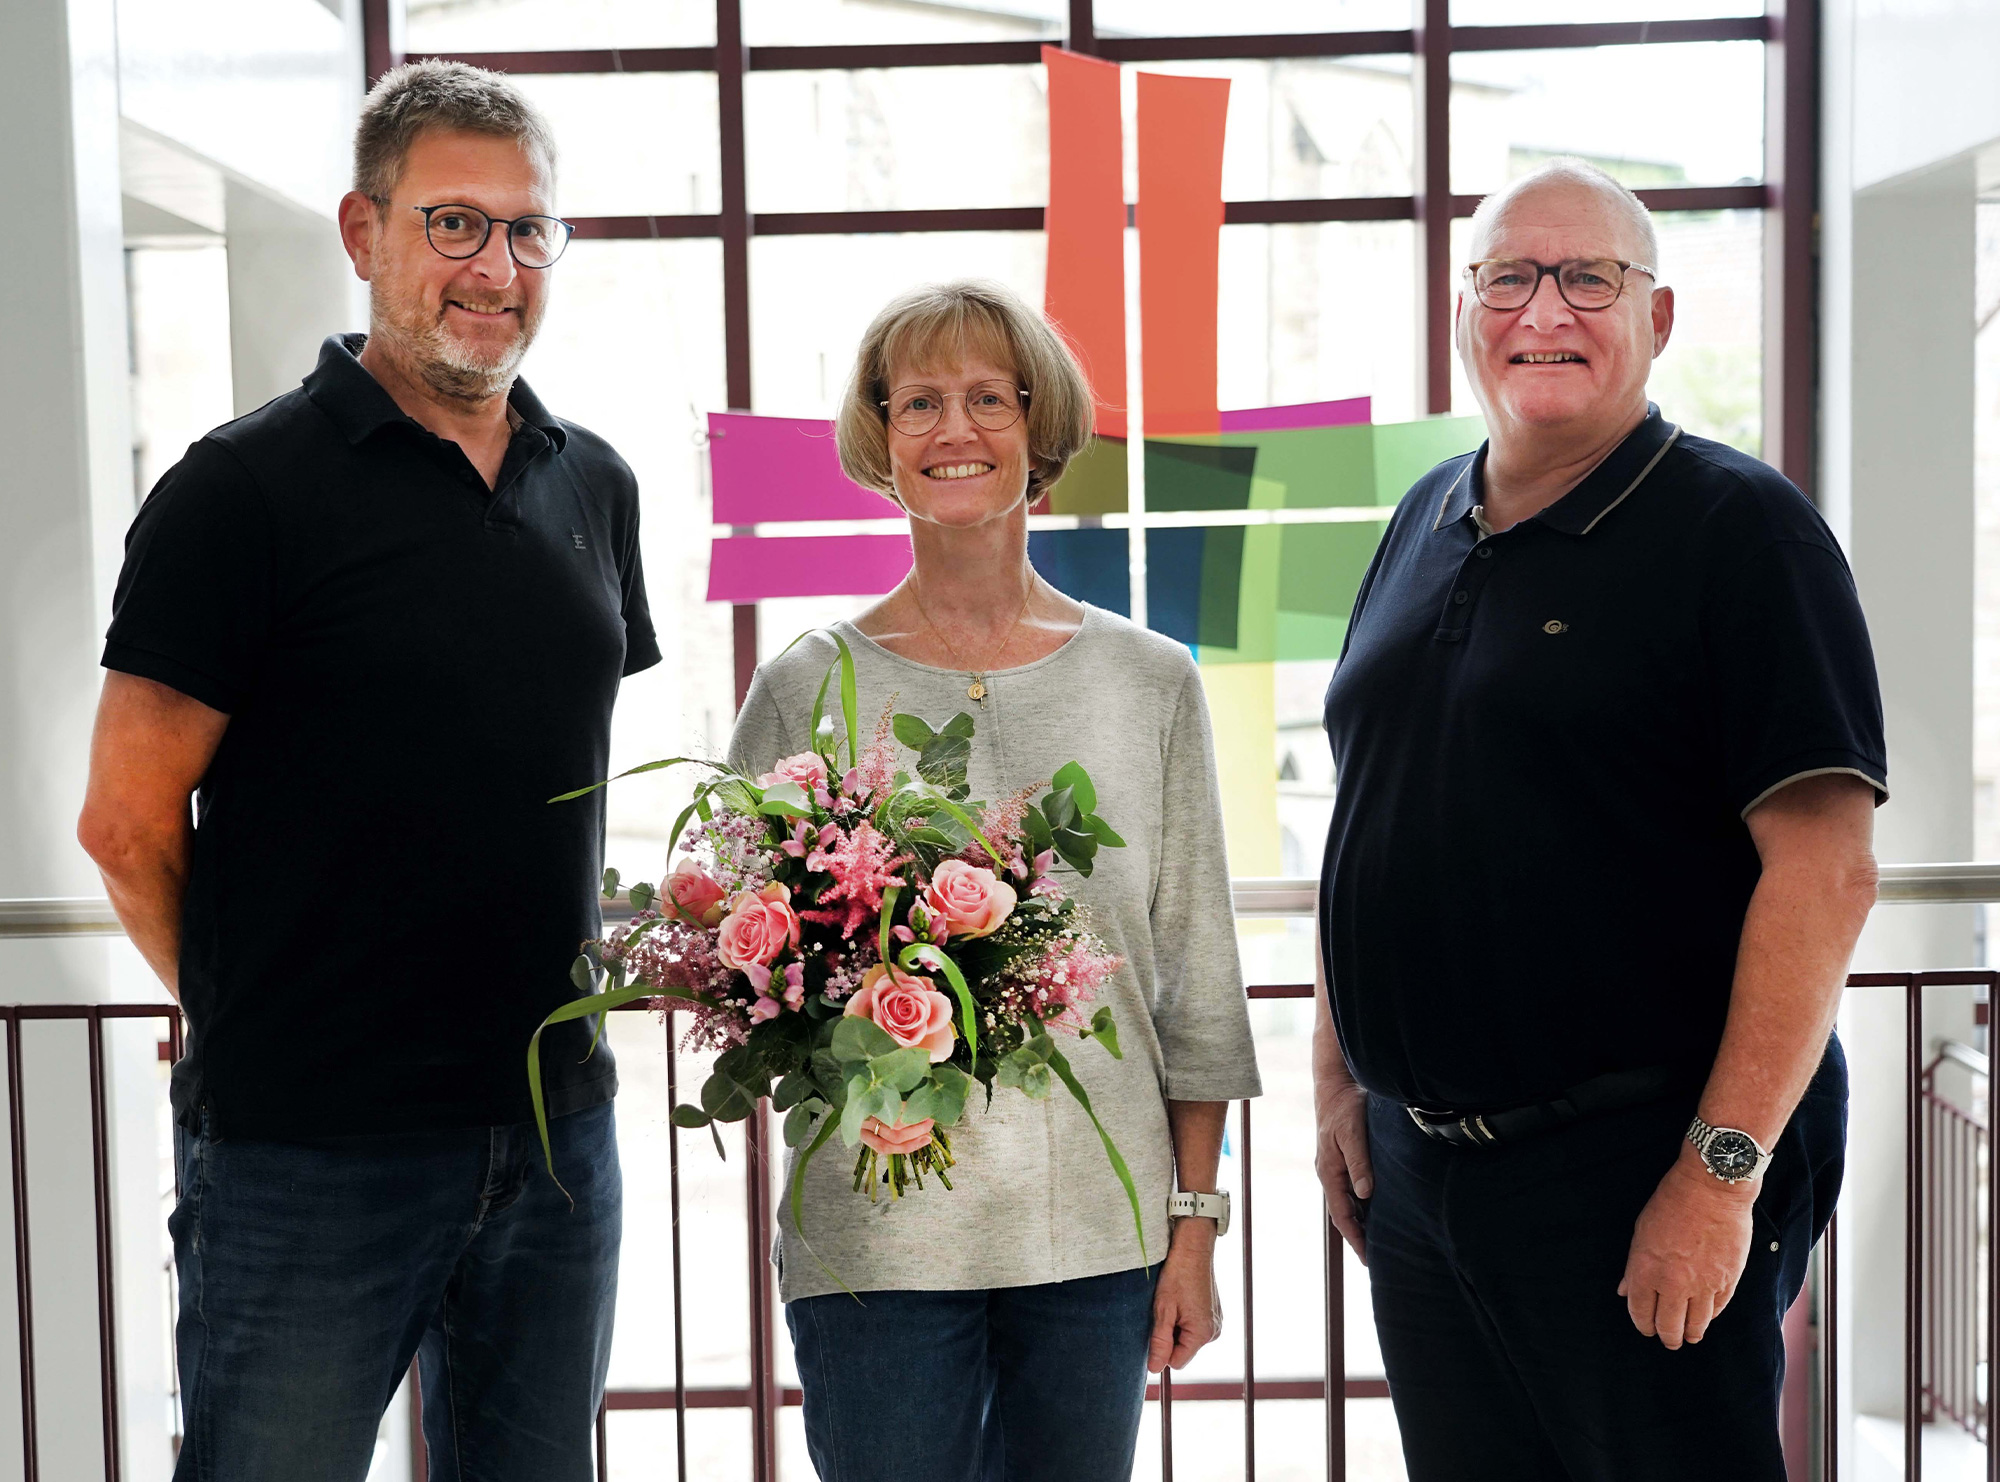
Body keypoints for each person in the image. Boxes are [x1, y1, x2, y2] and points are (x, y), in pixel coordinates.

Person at [74, 61, 657, 1481]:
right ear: (364, 231)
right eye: (455, 224)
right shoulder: (240, 490)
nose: (497, 267)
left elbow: (524, 770)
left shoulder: (595, 483)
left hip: (554, 1133)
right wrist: (266, 1017)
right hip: (308, 1151)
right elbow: (126, 822)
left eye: (528, 231)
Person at [1311, 159, 1884, 1480]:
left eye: (1587, 279)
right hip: (1426, 1173)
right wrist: (1344, 1073)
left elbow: (1826, 871)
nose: (1543, 310)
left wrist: (1719, 1176)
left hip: (1640, 1159)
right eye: (1508, 276)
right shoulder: (1421, 517)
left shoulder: (1744, 534)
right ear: (1465, 309)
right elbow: (1378, 803)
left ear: (1659, 317)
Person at [728, 279, 1261, 1482]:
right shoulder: (802, 685)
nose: (952, 429)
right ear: (880, 438)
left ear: (1039, 432)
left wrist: (1193, 1229)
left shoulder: (1149, 682)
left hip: (1095, 1244)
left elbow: (1197, 984)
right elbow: (745, 970)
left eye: (987, 398)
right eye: (917, 401)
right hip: (875, 1247)